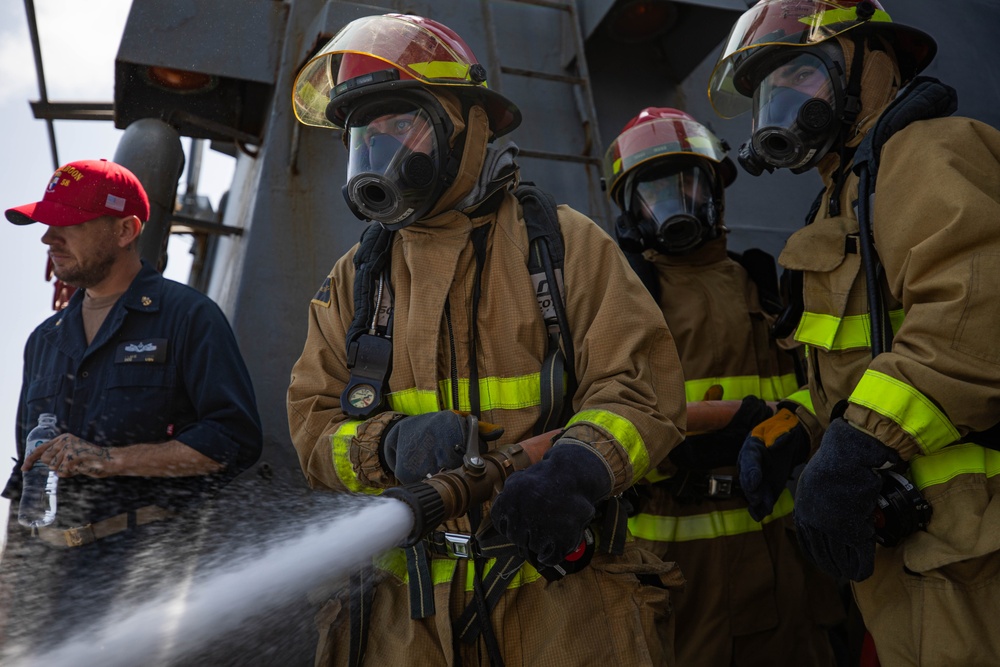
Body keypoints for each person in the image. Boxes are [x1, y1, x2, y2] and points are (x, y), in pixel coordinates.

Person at [287, 13, 686, 666]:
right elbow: (312, 427)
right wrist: (385, 443)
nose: (379, 150)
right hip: (400, 627)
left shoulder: (562, 244)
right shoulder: (355, 282)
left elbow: (642, 392)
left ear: (460, 124)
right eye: (365, 133)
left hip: (561, 612)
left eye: (399, 124)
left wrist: (579, 466)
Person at [708, 1, 1000, 664]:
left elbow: (975, 319)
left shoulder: (929, 152)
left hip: (976, 551)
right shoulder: (844, 196)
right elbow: (864, 364)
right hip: (916, 550)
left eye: (800, 79)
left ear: (870, 70)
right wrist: (796, 423)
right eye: (770, 92)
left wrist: (858, 442)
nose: (783, 105)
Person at [604, 107, 842, 666]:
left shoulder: (766, 284)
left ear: (716, 192)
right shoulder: (623, 299)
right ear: (630, 210)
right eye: (654, 193)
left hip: (784, 556)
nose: (675, 206)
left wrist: (795, 423)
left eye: (688, 186)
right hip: (683, 573)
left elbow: (828, 390)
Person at [0, 158, 263, 656]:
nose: (48, 238)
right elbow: (26, 480)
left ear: (126, 229)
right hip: (49, 586)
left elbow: (234, 441)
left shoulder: (190, 318)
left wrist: (110, 460)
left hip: (149, 580)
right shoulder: (44, 341)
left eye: (68, 224)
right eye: (47, 224)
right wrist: (9, 599)